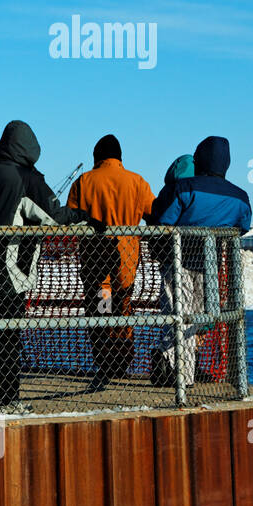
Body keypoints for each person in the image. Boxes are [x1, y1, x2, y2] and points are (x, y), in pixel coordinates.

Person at [0, 120, 96, 412]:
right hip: (11, 273)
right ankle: (5, 400)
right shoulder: (28, 180)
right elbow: (53, 216)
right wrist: (86, 218)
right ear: (31, 148)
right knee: (7, 336)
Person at [148, 136, 251, 388]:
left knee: (176, 314)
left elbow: (164, 221)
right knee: (197, 317)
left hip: (179, 260)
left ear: (200, 158)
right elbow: (243, 226)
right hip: (210, 264)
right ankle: (184, 373)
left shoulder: (184, 188)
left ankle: (174, 371)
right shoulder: (240, 197)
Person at [65, 134, 155, 390]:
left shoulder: (84, 181)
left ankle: (105, 362)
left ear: (97, 157)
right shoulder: (137, 182)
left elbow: (70, 215)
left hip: (97, 262)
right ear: (119, 157)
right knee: (124, 308)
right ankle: (122, 360)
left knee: (102, 308)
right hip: (126, 260)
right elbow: (153, 212)